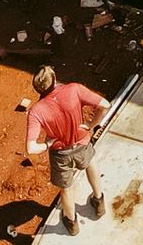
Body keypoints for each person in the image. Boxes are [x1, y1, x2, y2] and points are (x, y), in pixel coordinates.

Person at [25, 67, 107, 233]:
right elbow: (104, 105)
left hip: (61, 154)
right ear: (54, 80)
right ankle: (98, 202)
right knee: (91, 164)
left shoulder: (36, 111)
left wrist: (47, 144)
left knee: (66, 189)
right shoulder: (74, 89)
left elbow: (31, 148)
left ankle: (71, 223)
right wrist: (91, 125)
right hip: (82, 142)